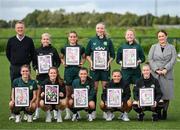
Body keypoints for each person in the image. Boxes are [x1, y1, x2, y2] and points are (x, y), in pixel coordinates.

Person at [6, 21, 35, 120]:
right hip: (14, 67)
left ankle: (27, 112)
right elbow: (8, 54)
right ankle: (14, 112)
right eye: (18, 28)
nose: (20, 29)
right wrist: (14, 62)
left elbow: (33, 54)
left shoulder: (29, 40)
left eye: (21, 27)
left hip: (26, 67)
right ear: (15, 29)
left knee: (28, 88)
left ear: (24, 28)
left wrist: (26, 64)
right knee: (14, 88)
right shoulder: (11, 40)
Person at [86, 22, 115, 118]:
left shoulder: (108, 41)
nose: (100, 30)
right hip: (94, 69)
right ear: (96, 29)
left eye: (101, 28)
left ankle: (105, 110)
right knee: (94, 89)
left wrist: (107, 63)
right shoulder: (92, 41)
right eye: (98, 28)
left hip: (105, 69)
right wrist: (91, 63)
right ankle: (93, 110)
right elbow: (87, 55)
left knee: (105, 89)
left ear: (104, 29)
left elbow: (113, 55)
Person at [148, 30, 177, 120]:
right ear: (158, 38)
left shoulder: (172, 47)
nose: (161, 38)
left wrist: (165, 69)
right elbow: (150, 59)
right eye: (159, 36)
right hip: (155, 73)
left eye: (162, 36)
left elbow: (173, 60)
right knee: (156, 93)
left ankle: (164, 111)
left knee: (166, 94)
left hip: (167, 73)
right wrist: (156, 69)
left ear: (166, 36)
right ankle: (158, 111)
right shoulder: (153, 47)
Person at [32, 33, 61, 120]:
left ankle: (55, 113)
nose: (45, 40)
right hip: (41, 76)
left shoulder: (53, 50)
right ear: (41, 40)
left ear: (49, 40)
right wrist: (36, 69)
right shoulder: (37, 50)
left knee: (54, 93)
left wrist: (54, 70)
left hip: (52, 77)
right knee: (39, 95)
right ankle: (36, 113)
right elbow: (34, 63)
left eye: (47, 39)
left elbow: (58, 62)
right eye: (44, 39)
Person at [60, 31, 86, 120]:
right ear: (68, 38)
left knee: (77, 92)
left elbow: (84, 56)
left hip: (77, 72)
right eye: (71, 37)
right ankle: (68, 113)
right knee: (68, 93)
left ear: (77, 38)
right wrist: (63, 63)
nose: (72, 38)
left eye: (74, 36)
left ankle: (77, 111)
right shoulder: (64, 47)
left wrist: (82, 63)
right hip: (68, 72)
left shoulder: (81, 47)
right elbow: (61, 57)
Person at [116, 29, 145, 94]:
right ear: (125, 36)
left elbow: (143, 58)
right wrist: (121, 62)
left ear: (134, 36)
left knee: (137, 89)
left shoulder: (138, 46)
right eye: (128, 34)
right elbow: (117, 60)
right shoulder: (122, 47)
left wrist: (138, 61)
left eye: (131, 34)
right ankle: (127, 103)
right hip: (125, 72)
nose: (129, 36)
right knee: (125, 89)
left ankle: (136, 102)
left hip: (136, 71)